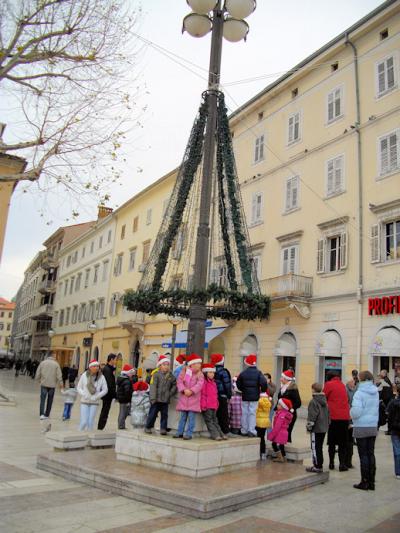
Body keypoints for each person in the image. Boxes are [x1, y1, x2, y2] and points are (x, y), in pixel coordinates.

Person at [350, 370, 379, 490]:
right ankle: (371, 482)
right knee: (371, 453)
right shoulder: (375, 392)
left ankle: (364, 481)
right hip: (372, 426)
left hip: (361, 426)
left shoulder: (359, 393)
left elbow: (356, 412)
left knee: (363, 455)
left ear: (361, 379)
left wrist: (350, 413)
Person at [323, 371, 350, 471]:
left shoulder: (328, 384)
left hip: (333, 417)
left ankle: (331, 463)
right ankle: (342, 464)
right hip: (344, 417)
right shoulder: (342, 385)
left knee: (332, 442)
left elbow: (323, 397)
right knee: (343, 442)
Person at [236, 354, 267, 437]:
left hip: (245, 395)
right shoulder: (258, 373)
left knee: (244, 412)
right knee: (252, 412)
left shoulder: (243, 373)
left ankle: (244, 430)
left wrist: (243, 389)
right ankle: (251, 430)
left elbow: (238, 384)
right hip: (255, 396)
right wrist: (262, 390)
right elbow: (264, 383)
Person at [145, 355, 177, 435]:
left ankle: (163, 428)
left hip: (165, 399)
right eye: (164, 364)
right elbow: (153, 387)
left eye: (167, 364)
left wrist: (170, 393)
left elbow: (174, 385)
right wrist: (152, 398)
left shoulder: (170, 375)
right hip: (156, 399)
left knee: (164, 415)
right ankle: (148, 426)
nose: (166, 366)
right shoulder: (156, 375)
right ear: (160, 366)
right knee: (152, 414)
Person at [175, 354, 204, 440]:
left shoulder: (200, 374)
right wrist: (183, 390)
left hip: (193, 400)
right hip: (184, 399)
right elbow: (179, 382)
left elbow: (200, 384)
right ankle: (179, 432)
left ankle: (189, 433)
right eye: (198, 363)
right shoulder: (184, 372)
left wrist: (191, 391)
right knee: (182, 417)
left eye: (200, 363)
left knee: (191, 418)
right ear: (192, 364)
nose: (199, 365)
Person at [77, 359, 108, 431]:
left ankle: (88, 438)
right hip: (85, 401)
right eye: (94, 366)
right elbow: (79, 387)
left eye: (97, 366)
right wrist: (83, 394)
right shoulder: (84, 375)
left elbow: (105, 390)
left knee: (90, 422)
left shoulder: (101, 377)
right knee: (84, 421)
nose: (96, 367)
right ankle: (79, 435)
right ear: (90, 367)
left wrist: (97, 396)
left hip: (94, 402)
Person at [305, 383, 330, 473]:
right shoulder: (325, 400)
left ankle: (317, 466)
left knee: (315, 447)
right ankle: (319, 464)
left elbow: (312, 416)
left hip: (316, 428)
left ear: (313, 389)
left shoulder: (313, 401)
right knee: (319, 447)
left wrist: (309, 427)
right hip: (323, 427)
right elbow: (328, 414)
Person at [200, 363, 226, 441]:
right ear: (205, 373)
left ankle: (221, 434)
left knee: (215, 421)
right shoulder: (204, 382)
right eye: (210, 372)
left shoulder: (214, 383)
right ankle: (215, 435)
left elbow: (215, 395)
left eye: (213, 373)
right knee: (209, 421)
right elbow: (203, 395)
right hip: (207, 406)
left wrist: (217, 403)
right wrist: (203, 405)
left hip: (214, 405)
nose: (212, 374)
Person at [35, 353, 63, 420]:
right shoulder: (56, 364)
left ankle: (41, 414)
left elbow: (38, 373)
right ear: (53, 356)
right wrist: (61, 383)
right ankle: (47, 414)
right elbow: (59, 375)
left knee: (42, 400)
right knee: (50, 400)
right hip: (52, 386)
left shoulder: (42, 363)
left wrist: (38, 380)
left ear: (47, 356)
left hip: (44, 384)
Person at [210, 353, 232, 437]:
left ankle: (218, 430)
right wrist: (229, 395)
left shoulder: (211, 370)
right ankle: (225, 430)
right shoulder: (223, 371)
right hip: (222, 395)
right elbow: (227, 384)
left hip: (214, 395)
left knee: (216, 414)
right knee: (224, 413)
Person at [277, 369, 301, 443]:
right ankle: (282, 447)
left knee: (287, 432)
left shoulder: (293, 389)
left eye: (282, 377)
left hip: (289, 414)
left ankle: (286, 447)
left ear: (286, 379)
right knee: (280, 432)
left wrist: (290, 408)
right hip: (281, 413)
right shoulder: (282, 387)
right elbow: (280, 400)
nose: (280, 379)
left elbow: (298, 402)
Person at [267, 398, 294, 463]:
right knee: (281, 445)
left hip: (280, 432)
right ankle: (284, 457)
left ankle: (280, 458)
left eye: (279, 404)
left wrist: (272, 435)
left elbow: (277, 426)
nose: (277, 405)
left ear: (283, 407)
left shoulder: (281, 415)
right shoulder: (286, 414)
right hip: (284, 432)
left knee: (274, 444)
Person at [97, 353, 117, 430]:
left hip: (108, 395)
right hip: (107, 395)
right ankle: (100, 428)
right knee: (105, 412)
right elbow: (109, 384)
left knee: (105, 411)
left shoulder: (109, 369)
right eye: (115, 359)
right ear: (111, 359)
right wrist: (115, 395)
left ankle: (101, 427)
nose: (116, 361)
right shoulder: (107, 370)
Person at [345, 370, 359, 469]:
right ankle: (346, 461)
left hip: (354, 419)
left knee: (350, 441)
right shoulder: (345, 391)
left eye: (354, 382)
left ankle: (348, 461)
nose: (354, 383)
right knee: (347, 441)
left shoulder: (355, 390)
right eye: (352, 382)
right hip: (347, 419)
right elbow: (347, 406)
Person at [386, 384, 400, 479]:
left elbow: (387, 413)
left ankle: (398, 472)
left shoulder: (393, 402)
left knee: (397, 451)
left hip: (395, 429)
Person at [116, 364, 136, 430]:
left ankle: (121, 425)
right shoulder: (127, 381)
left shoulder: (123, 379)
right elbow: (127, 391)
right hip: (125, 399)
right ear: (128, 373)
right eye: (131, 373)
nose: (132, 374)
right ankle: (121, 426)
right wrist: (128, 400)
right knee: (123, 413)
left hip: (122, 398)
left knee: (123, 412)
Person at [255, 384, 272, 460]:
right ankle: (263, 453)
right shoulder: (267, 400)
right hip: (265, 421)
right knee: (262, 438)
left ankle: (258, 453)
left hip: (258, 421)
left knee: (258, 438)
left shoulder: (259, 400)